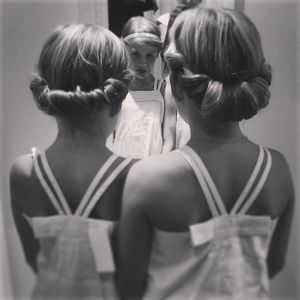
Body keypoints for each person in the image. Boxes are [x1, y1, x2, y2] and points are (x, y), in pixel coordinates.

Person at [116, 7, 294, 300]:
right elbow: (271, 265)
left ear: (176, 85)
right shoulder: (277, 169)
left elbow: (129, 288)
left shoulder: (148, 178)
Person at [10, 24, 133, 299]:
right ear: (117, 100)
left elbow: (35, 260)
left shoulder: (22, 172)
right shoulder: (134, 177)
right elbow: (136, 274)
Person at [107, 16, 177, 159]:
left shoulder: (164, 91)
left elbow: (169, 141)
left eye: (150, 56)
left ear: (158, 54)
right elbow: (108, 138)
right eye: (136, 54)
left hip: (153, 172)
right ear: (124, 49)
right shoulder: (115, 89)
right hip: (121, 169)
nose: (143, 62)